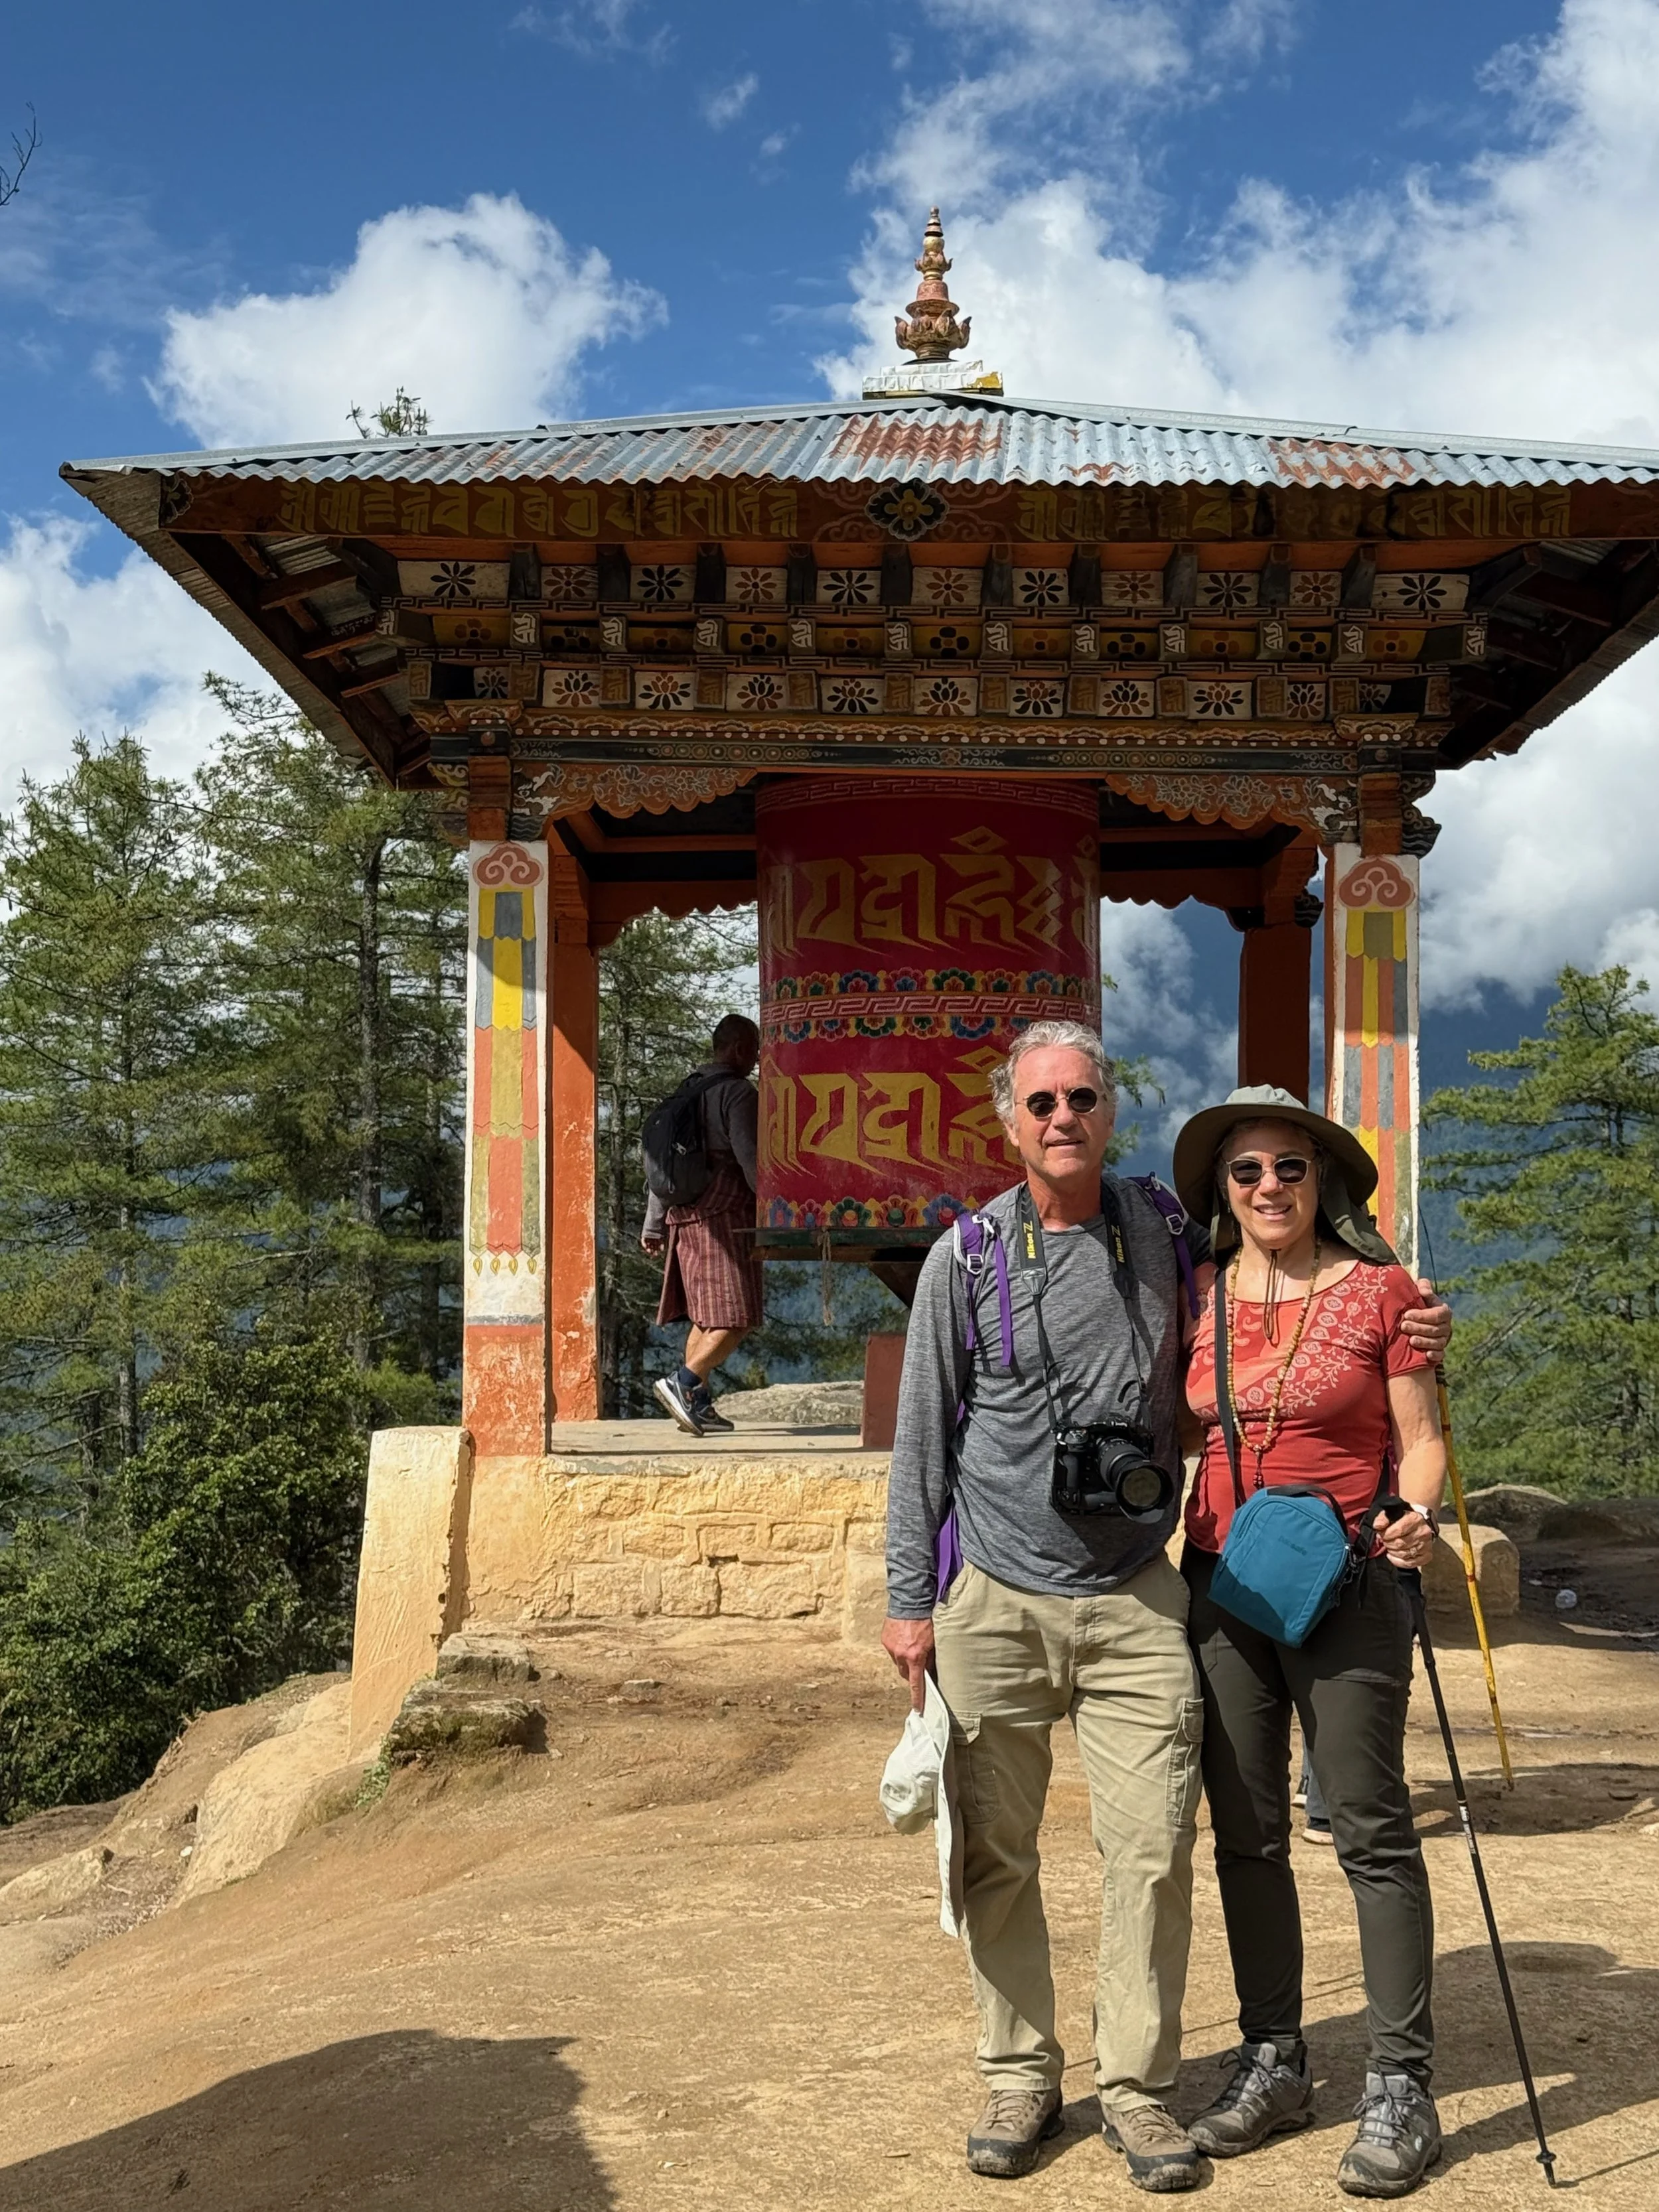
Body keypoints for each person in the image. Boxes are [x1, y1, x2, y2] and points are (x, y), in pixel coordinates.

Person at [1171, 1084, 1448, 2199]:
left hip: (1349, 1578)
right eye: (1248, 1170)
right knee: (1246, 1831)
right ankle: (1275, 2057)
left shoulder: (1387, 1291)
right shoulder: (1195, 1294)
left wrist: (1416, 1514)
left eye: (1291, 1165)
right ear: (1223, 1190)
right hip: (1224, 1583)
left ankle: (1400, 2082)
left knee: (1372, 1828)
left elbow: (1421, 1436)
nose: (1271, 1185)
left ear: (1322, 1178)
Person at [642, 1014, 762, 1436]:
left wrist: (654, 1224)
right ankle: (686, 1382)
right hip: (724, 1217)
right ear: (739, 1050)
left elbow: (664, 1163)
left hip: (683, 1219)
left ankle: (696, 1403)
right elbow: (751, 1161)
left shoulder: (687, 1091)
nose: (757, 1058)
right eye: (755, 1049)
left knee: (707, 1318)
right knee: (737, 1315)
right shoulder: (737, 1093)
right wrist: (775, 1207)